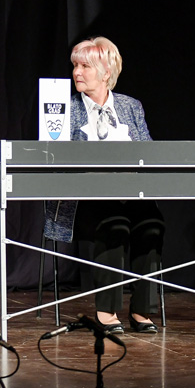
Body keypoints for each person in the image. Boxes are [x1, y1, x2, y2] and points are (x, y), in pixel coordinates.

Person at [43, 36, 163, 334]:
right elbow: (51, 159)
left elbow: (149, 154)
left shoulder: (131, 106)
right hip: (83, 202)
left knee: (152, 223)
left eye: (85, 66)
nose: (77, 72)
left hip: (130, 194)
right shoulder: (63, 108)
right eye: (75, 66)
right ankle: (106, 312)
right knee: (114, 224)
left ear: (106, 72)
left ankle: (142, 310)